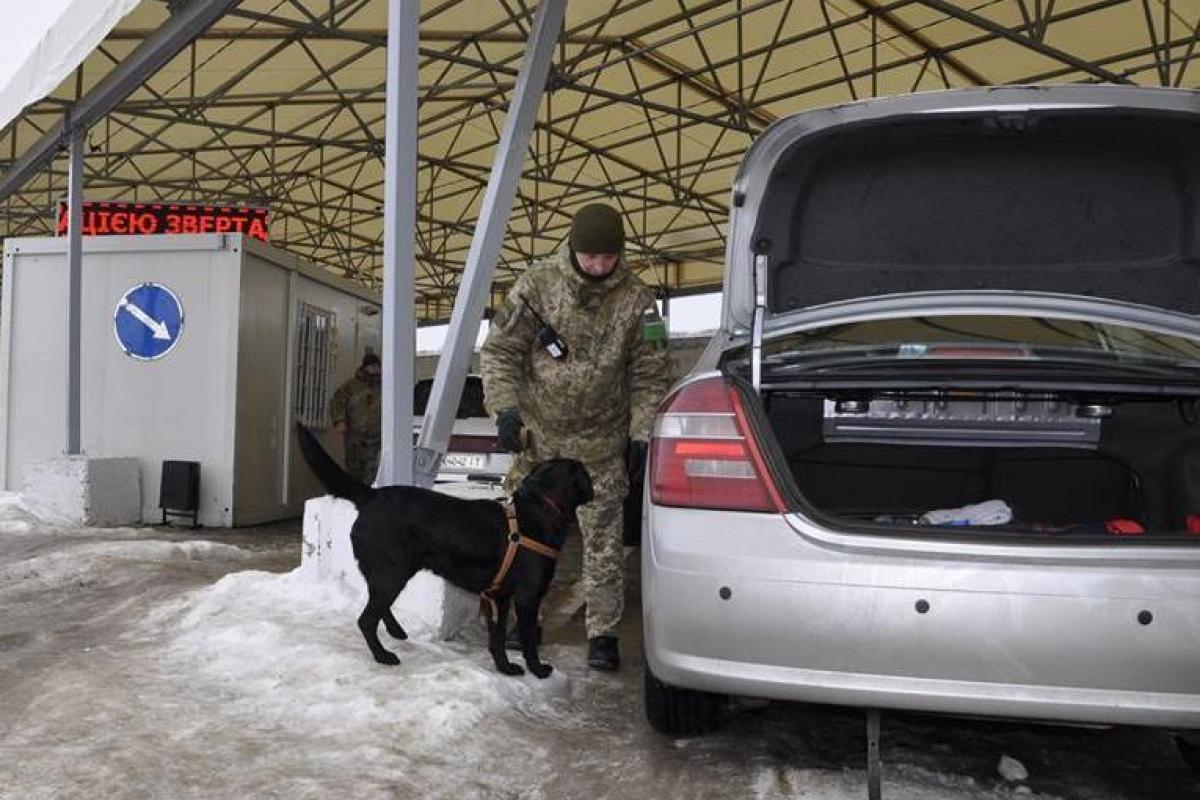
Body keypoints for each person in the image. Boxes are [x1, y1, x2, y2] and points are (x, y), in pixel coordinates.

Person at [480, 202, 670, 672]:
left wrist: (641, 434)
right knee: (522, 540)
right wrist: (504, 411)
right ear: (572, 248)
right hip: (539, 444)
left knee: (604, 544)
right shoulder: (536, 286)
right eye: (590, 257)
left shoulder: (638, 300)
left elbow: (651, 373)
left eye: (607, 258)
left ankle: (602, 633)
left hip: (601, 448)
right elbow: (500, 352)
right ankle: (524, 621)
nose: (598, 267)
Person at [330, 351, 382, 484]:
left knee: (372, 469)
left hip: (376, 437)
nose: (374, 369)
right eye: (372, 366)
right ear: (365, 367)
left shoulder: (384, 387)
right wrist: (339, 421)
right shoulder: (351, 387)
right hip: (355, 436)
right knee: (354, 469)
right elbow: (337, 402)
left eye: (377, 366)